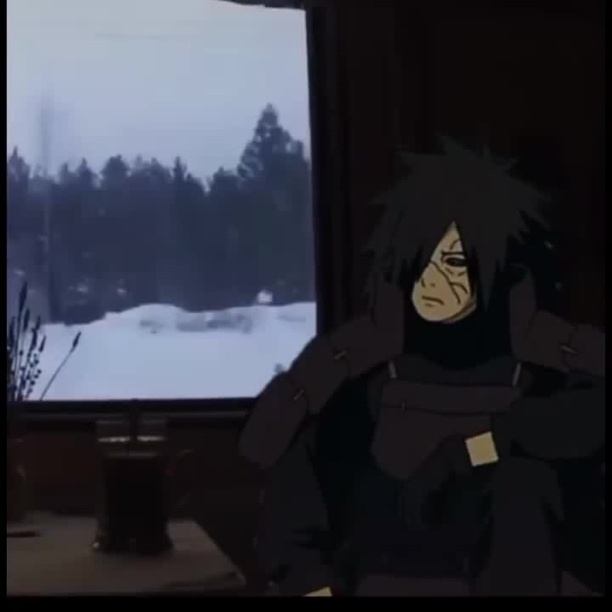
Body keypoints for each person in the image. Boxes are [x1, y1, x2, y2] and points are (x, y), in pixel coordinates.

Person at [239, 137, 605, 596]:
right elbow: (295, 513)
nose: (433, 278)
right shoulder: (364, 385)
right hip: (377, 574)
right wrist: (312, 586)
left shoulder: (543, 379)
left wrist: (472, 451)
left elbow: (567, 433)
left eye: (453, 262)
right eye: (423, 258)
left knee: (522, 482)